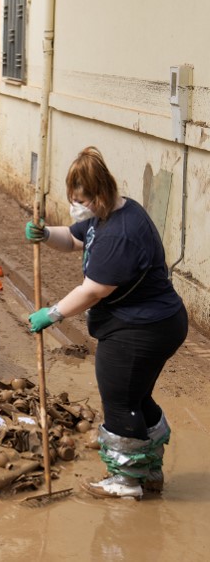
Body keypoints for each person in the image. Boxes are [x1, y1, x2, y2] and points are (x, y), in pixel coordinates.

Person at [25, 147, 187, 499]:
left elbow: (93, 291)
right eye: (73, 199)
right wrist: (46, 234)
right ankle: (150, 471)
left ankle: (126, 481)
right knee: (137, 397)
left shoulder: (121, 233)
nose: (76, 207)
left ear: (100, 195)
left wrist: (51, 314)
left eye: (81, 200)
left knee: (118, 399)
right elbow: (74, 237)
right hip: (150, 321)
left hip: (142, 328)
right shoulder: (108, 214)